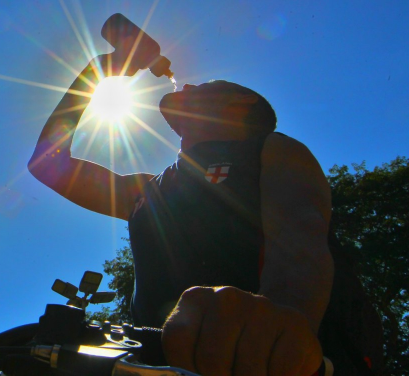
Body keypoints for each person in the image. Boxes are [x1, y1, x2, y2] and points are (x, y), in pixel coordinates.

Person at [28, 51, 377, 375]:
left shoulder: (271, 149)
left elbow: (300, 240)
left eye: (207, 86)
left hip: (269, 361)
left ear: (242, 102)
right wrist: (98, 70)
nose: (190, 84)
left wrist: (284, 329)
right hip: (165, 365)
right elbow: (49, 164)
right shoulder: (148, 191)